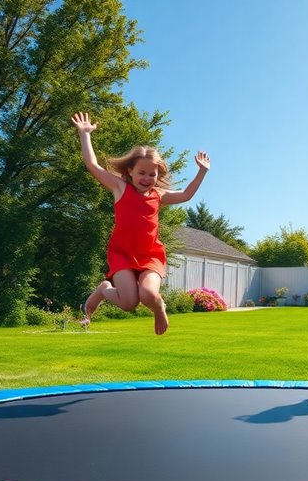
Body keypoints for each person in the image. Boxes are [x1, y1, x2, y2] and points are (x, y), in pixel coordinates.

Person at [72, 111, 210, 334]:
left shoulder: (159, 195)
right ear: (130, 171)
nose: (146, 179)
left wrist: (202, 172)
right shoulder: (120, 188)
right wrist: (85, 134)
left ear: (158, 175)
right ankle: (104, 289)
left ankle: (159, 307)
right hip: (122, 254)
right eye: (141, 173)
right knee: (128, 303)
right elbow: (92, 164)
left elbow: (186, 194)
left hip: (150, 255)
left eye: (152, 174)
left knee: (148, 295)